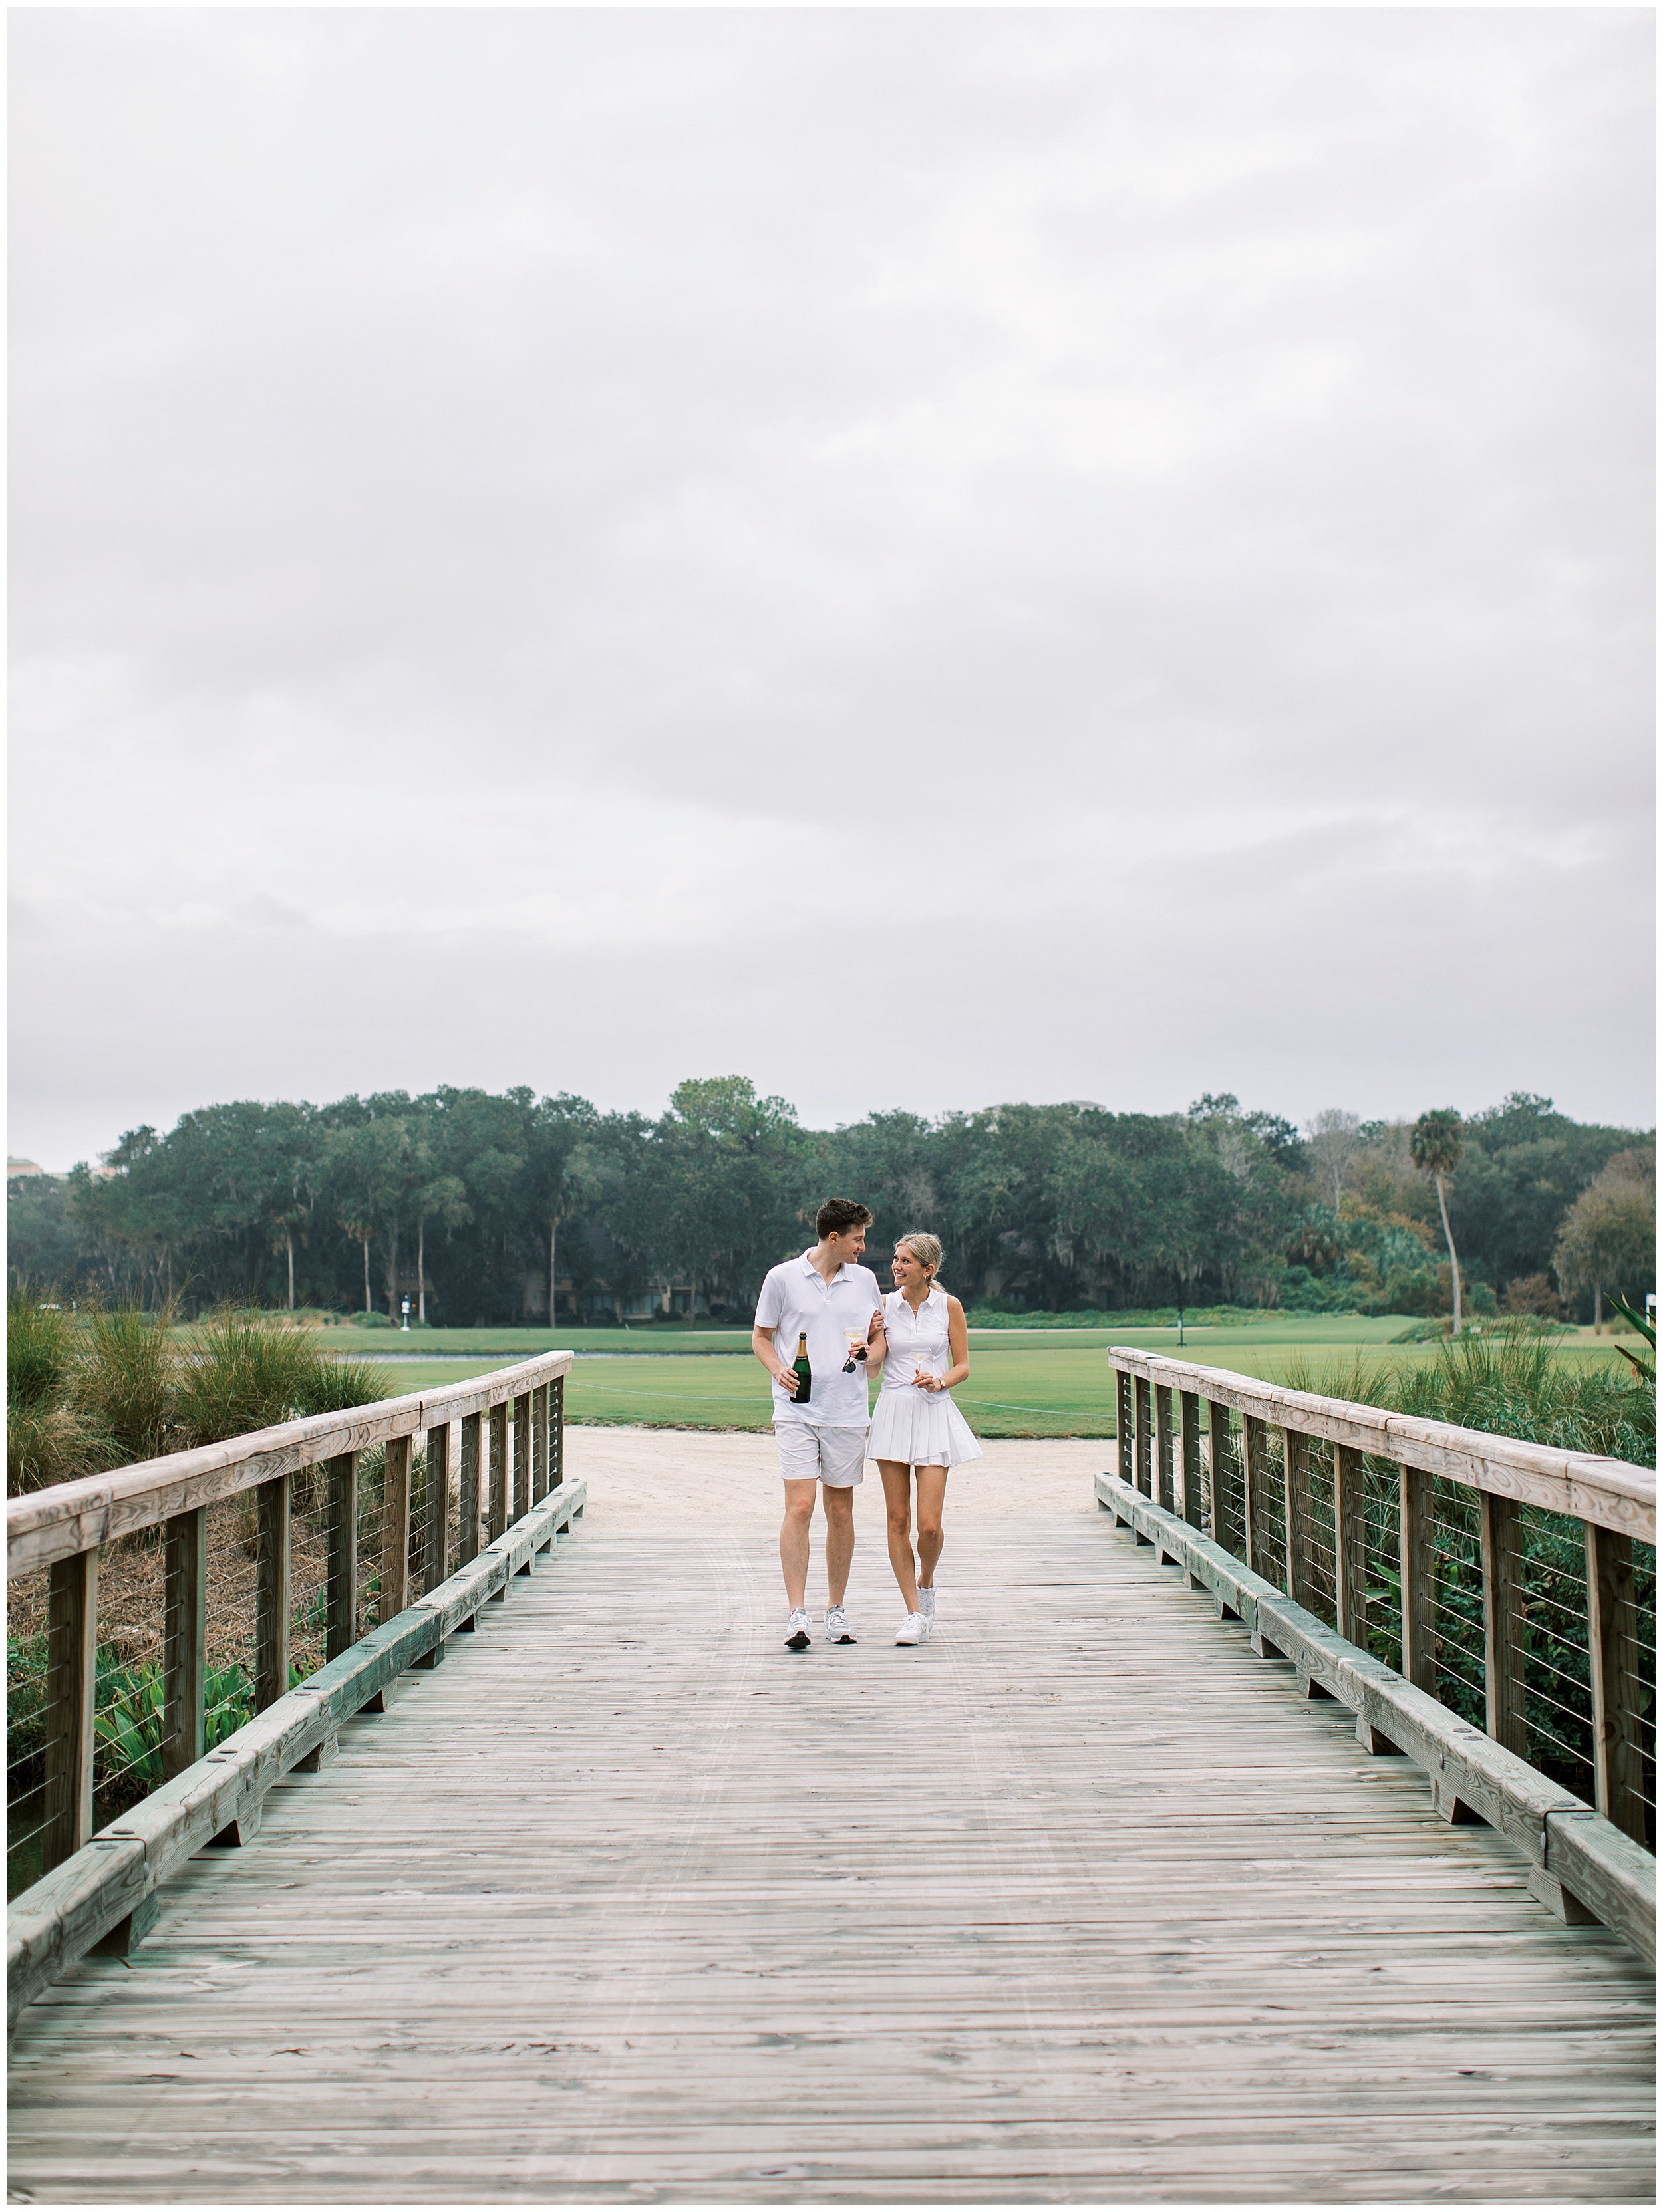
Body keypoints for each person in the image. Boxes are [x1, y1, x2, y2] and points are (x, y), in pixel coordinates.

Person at [752, 1198, 886, 1651]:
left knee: (841, 1510)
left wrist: (871, 1355)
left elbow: (877, 1338)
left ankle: (836, 1609)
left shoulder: (865, 1281)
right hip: (796, 1409)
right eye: (858, 1238)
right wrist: (777, 1370)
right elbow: (761, 1337)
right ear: (835, 1238)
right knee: (801, 1506)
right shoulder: (782, 1277)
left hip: (847, 1410)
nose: (863, 1247)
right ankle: (796, 1615)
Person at [868, 1232, 981, 1644]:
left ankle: (927, 1582)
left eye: (905, 1262)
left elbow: (963, 1365)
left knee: (929, 1527)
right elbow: (873, 1363)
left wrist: (940, 1380)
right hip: (894, 1411)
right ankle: (913, 1613)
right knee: (897, 1520)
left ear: (928, 1270)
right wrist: (867, 1345)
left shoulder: (949, 1306)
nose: (896, 1267)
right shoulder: (882, 1304)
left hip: (934, 1412)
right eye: (896, 1259)